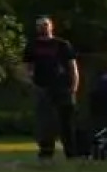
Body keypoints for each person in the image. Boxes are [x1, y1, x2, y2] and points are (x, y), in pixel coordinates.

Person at [23, 16, 79, 159]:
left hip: (63, 87)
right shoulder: (32, 46)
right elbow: (28, 67)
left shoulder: (62, 44)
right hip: (42, 87)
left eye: (46, 24)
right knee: (45, 122)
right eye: (41, 25)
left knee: (66, 121)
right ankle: (46, 151)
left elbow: (72, 66)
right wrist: (30, 82)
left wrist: (74, 85)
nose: (44, 27)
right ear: (37, 28)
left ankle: (71, 152)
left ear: (51, 26)